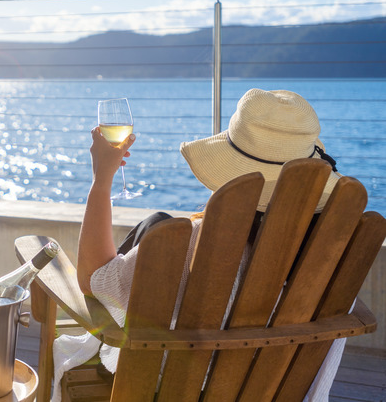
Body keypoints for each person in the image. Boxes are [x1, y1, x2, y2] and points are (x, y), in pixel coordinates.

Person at [58, 88, 344, 402]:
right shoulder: (331, 253)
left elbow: (92, 280)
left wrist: (102, 178)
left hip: (171, 388)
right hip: (272, 390)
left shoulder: (197, 245)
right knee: (156, 223)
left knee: (158, 231)